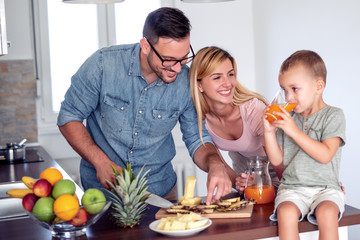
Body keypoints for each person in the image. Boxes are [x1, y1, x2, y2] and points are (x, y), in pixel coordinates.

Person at [57, 7, 232, 204]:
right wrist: (101, 161)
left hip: (161, 191)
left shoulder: (185, 80)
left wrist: (215, 163)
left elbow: (196, 138)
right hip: (102, 194)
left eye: (183, 58)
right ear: (146, 45)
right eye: (169, 60)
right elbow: (68, 116)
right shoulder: (103, 64)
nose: (177, 68)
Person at [264, 50, 346, 239]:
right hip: (292, 188)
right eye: (284, 90)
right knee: (285, 213)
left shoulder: (334, 116)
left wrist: (293, 130)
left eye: (294, 89)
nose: (288, 97)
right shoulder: (288, 118)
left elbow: (325, 155)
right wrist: (269, 132)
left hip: (326, 188)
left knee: (327, 213)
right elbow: (277, 159)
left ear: (318, 86)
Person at [189, 46, 280, 193]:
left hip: (279, 176)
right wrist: (239, 183)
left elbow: (283, 163)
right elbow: (218, 163)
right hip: (248, 179)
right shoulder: (201, 119)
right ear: (199, 85)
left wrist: (262, 181)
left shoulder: (253, 110)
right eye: (217, 77)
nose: (228, 83)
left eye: (230, 74)